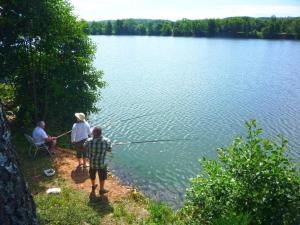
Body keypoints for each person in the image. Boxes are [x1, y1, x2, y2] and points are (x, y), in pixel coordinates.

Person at [84, 126, 112, 195]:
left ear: (93, 133)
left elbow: (84, 146)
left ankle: (93, 186)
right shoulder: (106, 141)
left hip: (92, 163)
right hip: (101, 164)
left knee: (92, 175)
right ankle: (101, 189)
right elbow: (109, 150)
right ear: (101, 133)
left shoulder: (89, 141)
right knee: (102, 176)